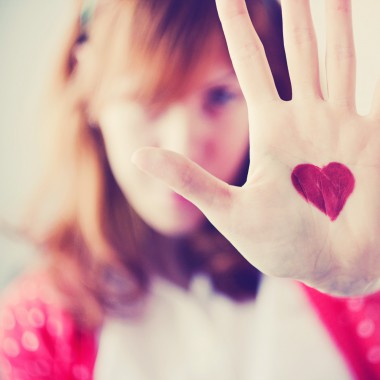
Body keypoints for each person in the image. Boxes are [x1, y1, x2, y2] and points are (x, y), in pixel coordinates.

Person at [0, 0, 380, 378]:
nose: (183, 146)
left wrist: (368, 285)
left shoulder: (334, 271)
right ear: (88, 86)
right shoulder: (36, 328)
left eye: (220, 96)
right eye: (149, 96)